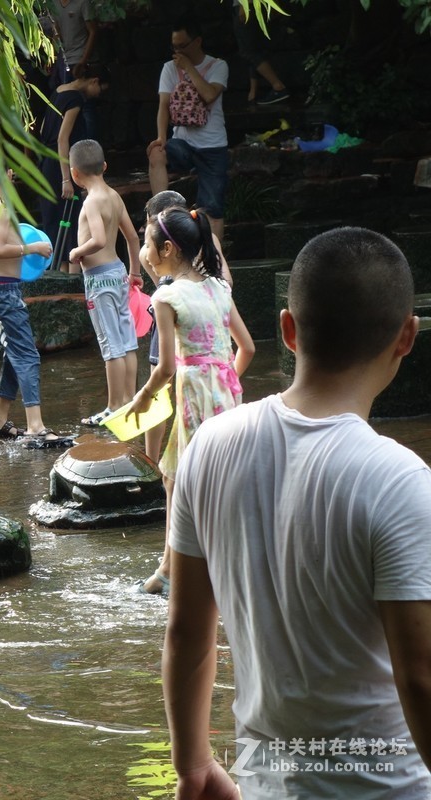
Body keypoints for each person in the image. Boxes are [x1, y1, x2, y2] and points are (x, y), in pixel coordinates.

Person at [163, 227, 431, 798]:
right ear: (407, 337)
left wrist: (194, 764)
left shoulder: (209, 446)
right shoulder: (400, 481)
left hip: (266, 782)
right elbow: (421, 679)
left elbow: (188, 630)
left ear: (286, 329)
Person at [125, 206, 253, 597]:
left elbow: (164, 368)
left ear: (166, 249)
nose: (143, 252)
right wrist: (222, 378)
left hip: (193, 395)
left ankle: (181, 571)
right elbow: (246, 349)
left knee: (181, 482)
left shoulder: (167, 297)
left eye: (147, 245)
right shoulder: (218, 288)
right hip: (224, 394)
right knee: (191, 481)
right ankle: (174, 568)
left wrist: (140, 401)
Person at [0, 151, 73, 449]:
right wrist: (33, 248)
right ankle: (35, 427)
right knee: (27, 355)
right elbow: (1, 249)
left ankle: (0, 421)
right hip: (5, 291)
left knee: (13, 353)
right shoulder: (1, 208)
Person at [138, 190, 234, 463]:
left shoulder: (152, 250)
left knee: (159, 385)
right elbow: (226, 280)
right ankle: (156, 461)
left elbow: (163, 285)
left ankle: (151, 462)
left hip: (175, 313)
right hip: (206, 319)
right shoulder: (208, 238)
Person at [66, 138, 141, 427]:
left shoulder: (92, 201)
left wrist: (76, 251)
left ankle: (114, 407)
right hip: (119, 273)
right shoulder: (113, 195)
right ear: (104, 166)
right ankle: (131, 399)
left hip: (99, 280)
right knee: (126, 340)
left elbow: (97, 240)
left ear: (74, 173)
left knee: (110, 344)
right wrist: (134, 273)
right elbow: (133, 238)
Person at [147, 18, 230, 242]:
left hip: (213, 146)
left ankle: (215, 265)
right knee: (156, 152)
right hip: (182, 143)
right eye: (174, 46)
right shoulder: (168, 68)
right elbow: (163, 106)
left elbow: (210, 94)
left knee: (212, 208)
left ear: (198, 41)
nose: (178, 51)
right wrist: (161, 137)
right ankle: (160, 213)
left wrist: (189, 68)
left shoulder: (218, 66)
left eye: (182, 45)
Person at [38, 64, 108, 273]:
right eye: (100, 89)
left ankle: (57, 272)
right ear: (94, 80)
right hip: (62, 166)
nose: (98, 95)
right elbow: (62, 139)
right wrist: (66, 178)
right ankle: (71, 276)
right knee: (70, 219)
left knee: (53, 218)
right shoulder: (75, 99)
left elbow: (43, 129)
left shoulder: (58, 91)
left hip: (47, 164)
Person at [233, 4, 289, 105]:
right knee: (254, 49)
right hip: (258, 6)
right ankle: (253, 92)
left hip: (248, 6)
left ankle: (278, 86)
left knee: (248, 51)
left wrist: (243, 5)